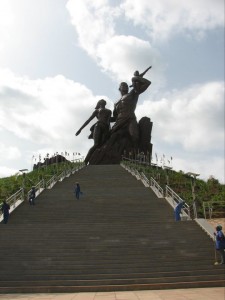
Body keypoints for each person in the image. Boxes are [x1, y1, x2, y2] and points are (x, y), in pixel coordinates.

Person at [109, 68, 151, 152]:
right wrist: (104, 119)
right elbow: (115, 117)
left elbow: (147, 83)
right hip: (119, 121)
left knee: (134, 137)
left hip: (130, 119)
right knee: (110, 136)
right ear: (119, 89)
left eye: (126, 85)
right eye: (123, 85)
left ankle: (135, 155)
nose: (125, 87)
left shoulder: (133, 93)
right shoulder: (116, 103)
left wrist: (135, 78)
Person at [75, 99, 112, 164]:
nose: (103, 101)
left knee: (103, 145)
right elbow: (88, 120)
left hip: (106, 128)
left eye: (103, 101)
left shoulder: (109, 111)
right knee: (96, 144)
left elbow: (109, 121)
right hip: (98, 126)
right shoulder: (97, 111)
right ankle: (85, 161)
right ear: (99, 104)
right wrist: (80, 129)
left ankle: (97, 160)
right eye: (101, 101)